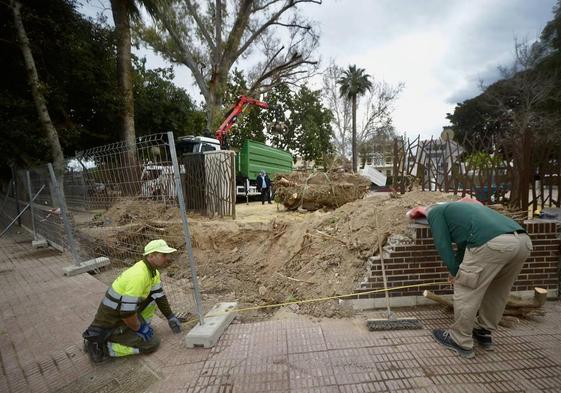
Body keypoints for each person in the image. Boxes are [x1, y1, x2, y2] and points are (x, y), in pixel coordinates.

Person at [408, 198, 532, 358]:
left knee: (467, 289)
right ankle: (483, 331)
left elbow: (442, 244)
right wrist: (458, 267)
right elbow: (463, 247)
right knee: (498, 291)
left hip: (493, 243)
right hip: (523, 242)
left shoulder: (435, 212)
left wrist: (456, 273)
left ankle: (460, 341)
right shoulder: (465, 212)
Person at [82, 239, 182, 363]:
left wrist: (170, 316)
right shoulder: (139, 276)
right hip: (112, 321)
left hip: (123, 314)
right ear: (151, 256)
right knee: (152, 344)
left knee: (152, 300)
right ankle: (101, 346)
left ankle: (131, 330)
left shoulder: (152, 272)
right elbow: (126, 313)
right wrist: (139, 328)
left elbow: (159, 297)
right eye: (163, 255)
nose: (167, 258)